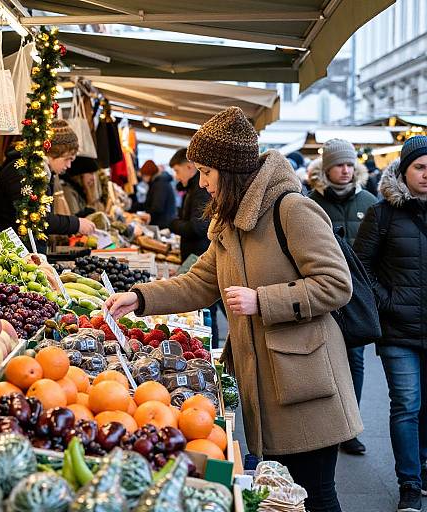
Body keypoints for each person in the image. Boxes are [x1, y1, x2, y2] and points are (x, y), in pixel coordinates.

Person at [107, 107, 362, 512]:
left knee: (315, 493)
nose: (202, 183)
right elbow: (200, 282)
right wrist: (141, 298)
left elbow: (336, 284)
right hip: (264, 377)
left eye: (206, 172)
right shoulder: (228, 221)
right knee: (282, 495)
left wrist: (263, 300)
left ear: (229, 171)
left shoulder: (292, 209)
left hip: (305, 380)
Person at [354, 135, 427, 512]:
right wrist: (388, 302)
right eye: (420, 167)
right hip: (398, 329)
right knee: (406, 404)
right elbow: (360, 267)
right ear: (404, 171)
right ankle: (409, 484)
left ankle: (423, 467)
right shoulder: (382, 215)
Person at [308, 139, 377, 456]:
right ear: (327, 169)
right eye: (339, 164)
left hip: (357, 295)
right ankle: (324, 424)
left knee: (355, 360)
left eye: (350, 164)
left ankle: (351, 428)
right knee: (321, 361)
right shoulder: (311, 202)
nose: (346, 170)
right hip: (322, 293)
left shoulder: (368, 200)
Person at [0, 120, 95, 250]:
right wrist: (76, 224)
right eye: (67, 159)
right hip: (11, 255)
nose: (69, 166)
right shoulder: (24, 171)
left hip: (24, 254)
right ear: (54, 152)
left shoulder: (42, 172)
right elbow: (36, 219)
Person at [168, 147, 225, 348]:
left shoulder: (200, 191)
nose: (203, 181)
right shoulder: (196, 189)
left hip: (199, 253)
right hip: (198, 255)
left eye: (206, 172)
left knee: (212, 310)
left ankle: (213, 346)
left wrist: (172, 223)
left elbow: (198, 226)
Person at [139, 160, 176, 229]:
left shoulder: (160, 184)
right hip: (162, 222)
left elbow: (157, 207)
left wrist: (148, 215)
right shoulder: (157, 183)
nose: (143, 178)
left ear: (149, 174)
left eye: (144, 175)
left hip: (163, 224)